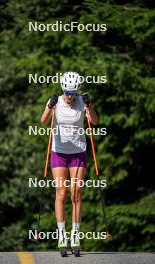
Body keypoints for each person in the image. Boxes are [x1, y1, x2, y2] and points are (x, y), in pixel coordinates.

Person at [40, 72, 99, 253]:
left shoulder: (82, 102)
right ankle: (61, 236)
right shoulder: (56, 101)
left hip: (78, 153)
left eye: (73, 93)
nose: (70, 97)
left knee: (76, 193)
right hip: (59, 153)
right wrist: (49, 107)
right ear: (63, 89)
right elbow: (42, 122)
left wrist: (90, 106)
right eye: (68, 93)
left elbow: (95, 122)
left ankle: (75, 236)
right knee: (61, 192)